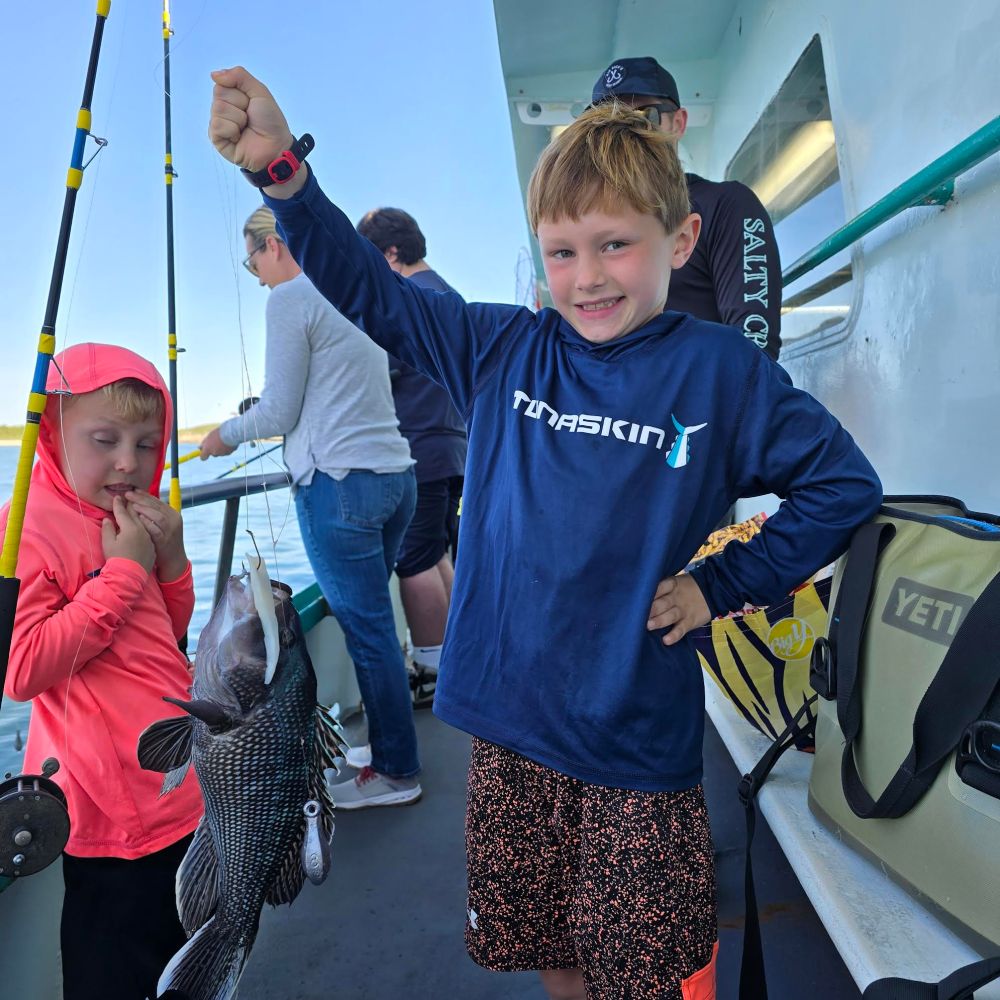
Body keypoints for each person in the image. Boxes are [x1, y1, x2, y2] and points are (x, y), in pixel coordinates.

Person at [208, 67, 882, 1000]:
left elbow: (843, 487)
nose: (588, 276)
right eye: (562, 252)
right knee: (549, 948)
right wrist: (284, 179)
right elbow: (370, 289)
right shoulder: (501, 349)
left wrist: (720, 587)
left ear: (680, 239)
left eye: (615, 244)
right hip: (509, 732)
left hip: (633, 740)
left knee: (640, 971)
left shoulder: (721, 372)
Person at [198, 206, 423, 811]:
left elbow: (278, 414)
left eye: (253, 263)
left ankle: (398, 770)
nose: (258, 277)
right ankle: (384, 753)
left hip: (340, 485)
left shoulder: (291, 297)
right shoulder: (352, 292)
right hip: (397, 479)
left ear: (273, 245)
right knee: (376, 628)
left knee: (369, 634)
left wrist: (224, 434)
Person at [2, 343, 203, 1000]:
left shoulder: (134, 514)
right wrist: (121, 572)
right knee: (112, 975)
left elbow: (169, 633)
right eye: (104, 439)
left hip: (183, 789)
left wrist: (169, 558)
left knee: (189, 966)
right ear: (54, 432)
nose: (128, 460)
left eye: (147, 444)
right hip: (109, 812)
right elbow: (23, 667)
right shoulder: (27, 527)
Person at [592, 55, 783, 360]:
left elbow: (755, 348)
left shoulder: (726, 205)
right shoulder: (590, 226)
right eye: (607, 124)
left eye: (645, 116)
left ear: (678, 123)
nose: (625, 134)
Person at [357, 207, 467, 706]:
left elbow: (383, 367)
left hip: (418, 446)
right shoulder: (447, 292)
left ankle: (432, 671)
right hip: (452, 446)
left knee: (415, 562)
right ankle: (449, 660)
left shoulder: (412, 297)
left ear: (392, 254)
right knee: (436, 555)